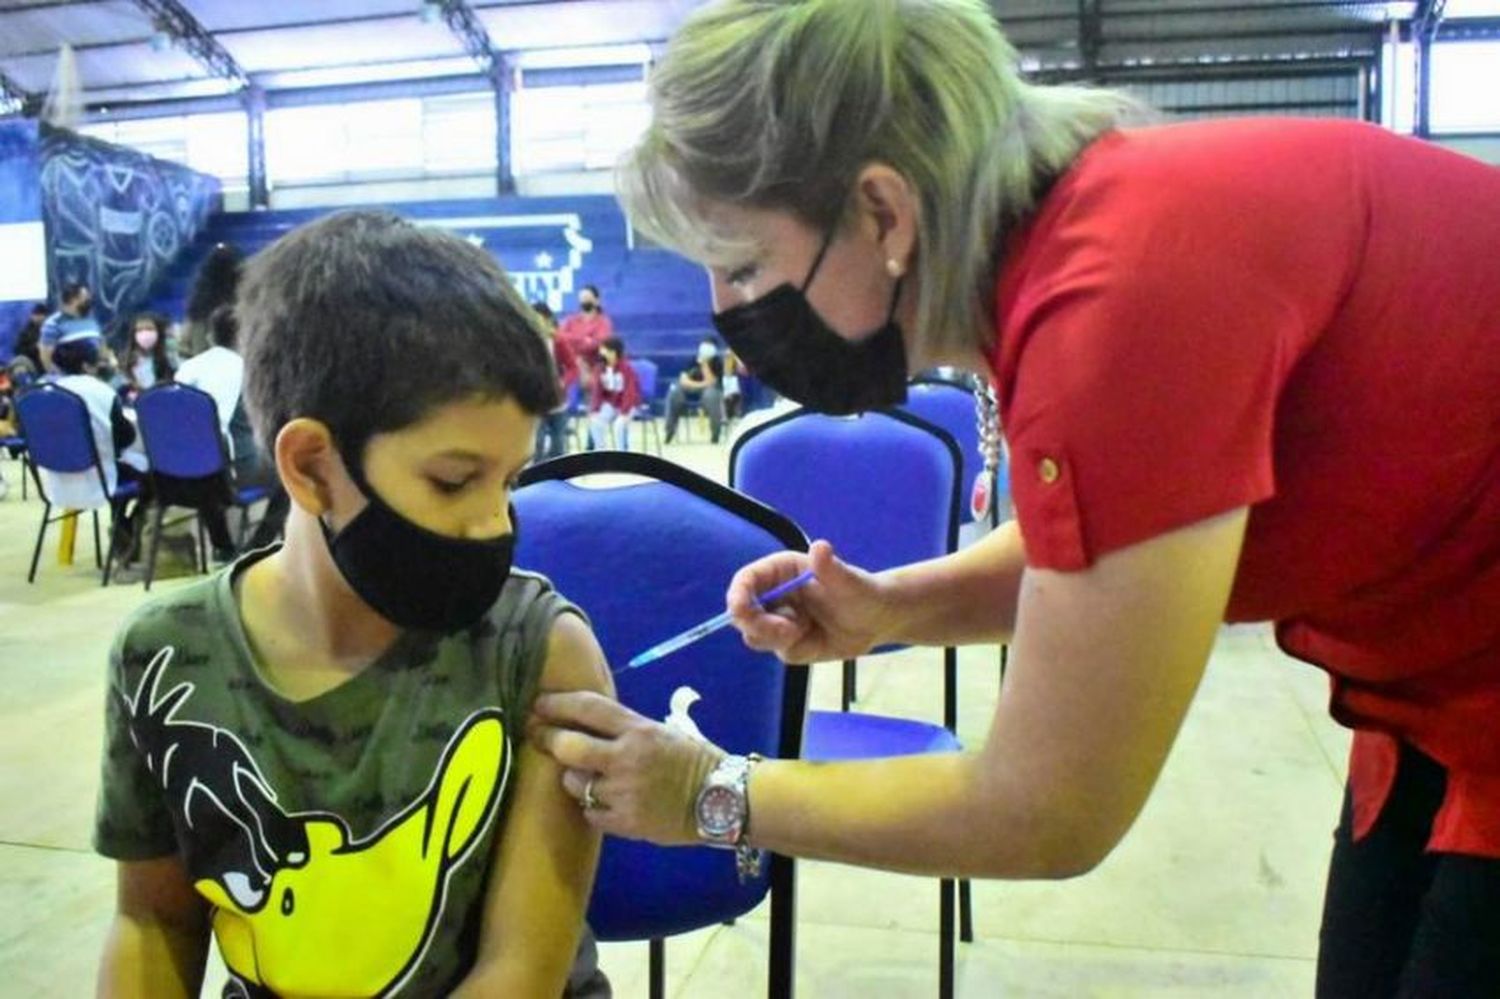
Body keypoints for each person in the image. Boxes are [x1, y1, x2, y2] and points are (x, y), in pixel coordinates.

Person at [528, 1, 1500, 995]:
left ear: (883, 213)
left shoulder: (1118, 298)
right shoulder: (1094, 238)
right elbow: (1101, 531)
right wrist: (895, 607)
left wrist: (710, 794)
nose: (725, 310)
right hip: (1438, 706)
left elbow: (1047, 809)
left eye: (742, 266)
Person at [93, 210, 614, 998]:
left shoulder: (538, 651)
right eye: (453, 480)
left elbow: (521, 973)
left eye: (509, 481)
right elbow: (152, 922)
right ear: (309, 465)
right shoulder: (164, 656)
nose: (495, 524)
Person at [173, 306, 291, 563]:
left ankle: (222, 546)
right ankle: (256, 546)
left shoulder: (187, 369)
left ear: (210, 336)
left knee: (203, 462)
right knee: (291, 474)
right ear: (245, 335)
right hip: (233, 472)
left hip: (180, 474)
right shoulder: (251, 371)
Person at [42, 339, 148, 556]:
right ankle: (126, 527)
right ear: (86, 366)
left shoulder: (45, 392)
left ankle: (121, 530)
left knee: (123, 468)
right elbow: (124, 438)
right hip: (99, 477)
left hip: (55, 480)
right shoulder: (102, 392)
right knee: (159, 478)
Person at [532, 301, 577, 462]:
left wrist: (563, 383)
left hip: (558, 399)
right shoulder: (526, 343)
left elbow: (572, 367)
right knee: (536, 443)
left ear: (548, 319)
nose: (535, 323)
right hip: (536, 400)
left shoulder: (558, 341)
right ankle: (535, 481)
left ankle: (558, 481)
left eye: (538, 319)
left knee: (558, 445)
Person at [663, 336, 725, 444]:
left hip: (710, 391)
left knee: (711, 395)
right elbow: (683, 380)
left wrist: (704, 364)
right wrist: (699, 385)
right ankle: (670, 431)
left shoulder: (718, 363)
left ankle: (715, 433)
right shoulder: (692, 360)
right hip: (691, 389)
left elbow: (712, 382)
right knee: (674, 392)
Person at [586, 335, 640, 451]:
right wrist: (593, 409)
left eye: (604, 349)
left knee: (619, 425)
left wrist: (624, 412)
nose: (601, 352)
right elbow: (597, 391)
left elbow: (630, 392)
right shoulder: (599, 368)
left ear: (613, 352)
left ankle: (621, 453)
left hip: (627, 405)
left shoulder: (627, 368)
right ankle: (600, 451)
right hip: (610, 403)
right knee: (595, 421)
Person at [39, 282, 103, 373]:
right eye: (86, 298)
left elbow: (101, 346)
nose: (89, 300)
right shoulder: (53, 324)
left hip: (95, 376)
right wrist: (60, 379)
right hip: (69, 379)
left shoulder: (91, 320)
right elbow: (46, 359)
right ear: (73, 300)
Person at [555, 284, 613, 382]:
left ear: (597, 301)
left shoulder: (604, 322)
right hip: (571, 365)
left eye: (587, 298)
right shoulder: (570, 321)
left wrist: (574, 342)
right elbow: (561, 338)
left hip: (594, 368)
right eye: (581, 299)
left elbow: (598, 344)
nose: (583, 301)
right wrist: (584, 339)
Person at [120, 313, 175, 401]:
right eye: (139, 330)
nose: (145, 334)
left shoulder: (168, 359)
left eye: (149, 329)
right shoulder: (125, 360)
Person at [12, 303, 47, 373]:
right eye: (36, 315)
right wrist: (35, 347)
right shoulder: (25, 332)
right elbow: (18, 350)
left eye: (41, 315)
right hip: (33, 365)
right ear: (32, 315)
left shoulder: (49, 329)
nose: (39, 317)